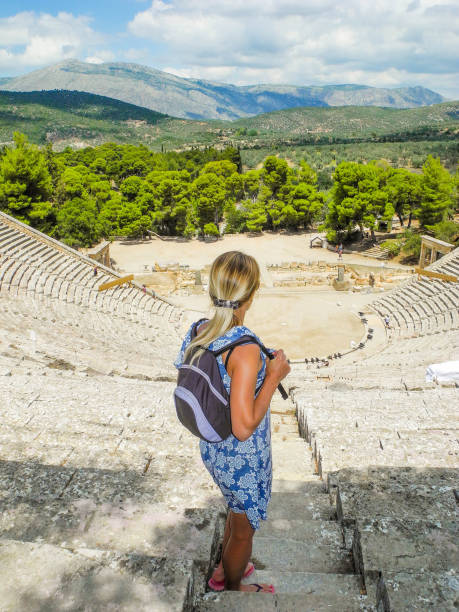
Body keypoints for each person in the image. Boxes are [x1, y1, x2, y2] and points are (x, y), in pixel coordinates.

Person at [175, 251, 290, 594]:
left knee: (235, 510)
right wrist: (274, 376)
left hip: (213, 447)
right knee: (243, 530)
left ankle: (224, 571)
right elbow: (243, 427)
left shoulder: (199, 329)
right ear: (251, 295)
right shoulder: (245, 349)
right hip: (240, 457)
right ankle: (233, 587)